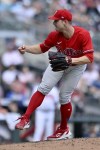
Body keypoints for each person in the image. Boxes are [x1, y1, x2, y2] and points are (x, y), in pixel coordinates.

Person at [15, 9, 94, 140]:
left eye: (56, 21)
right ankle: (25, 118)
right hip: (60, 62)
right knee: (43, 87)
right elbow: (42, 47)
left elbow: (89, 58)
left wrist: (70, 60)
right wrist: (27, 48)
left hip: (77, 66)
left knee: (64, 96)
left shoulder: (83, 34)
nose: (54, 23)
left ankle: (63, 129)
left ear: (65, 21)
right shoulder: (55, 35)